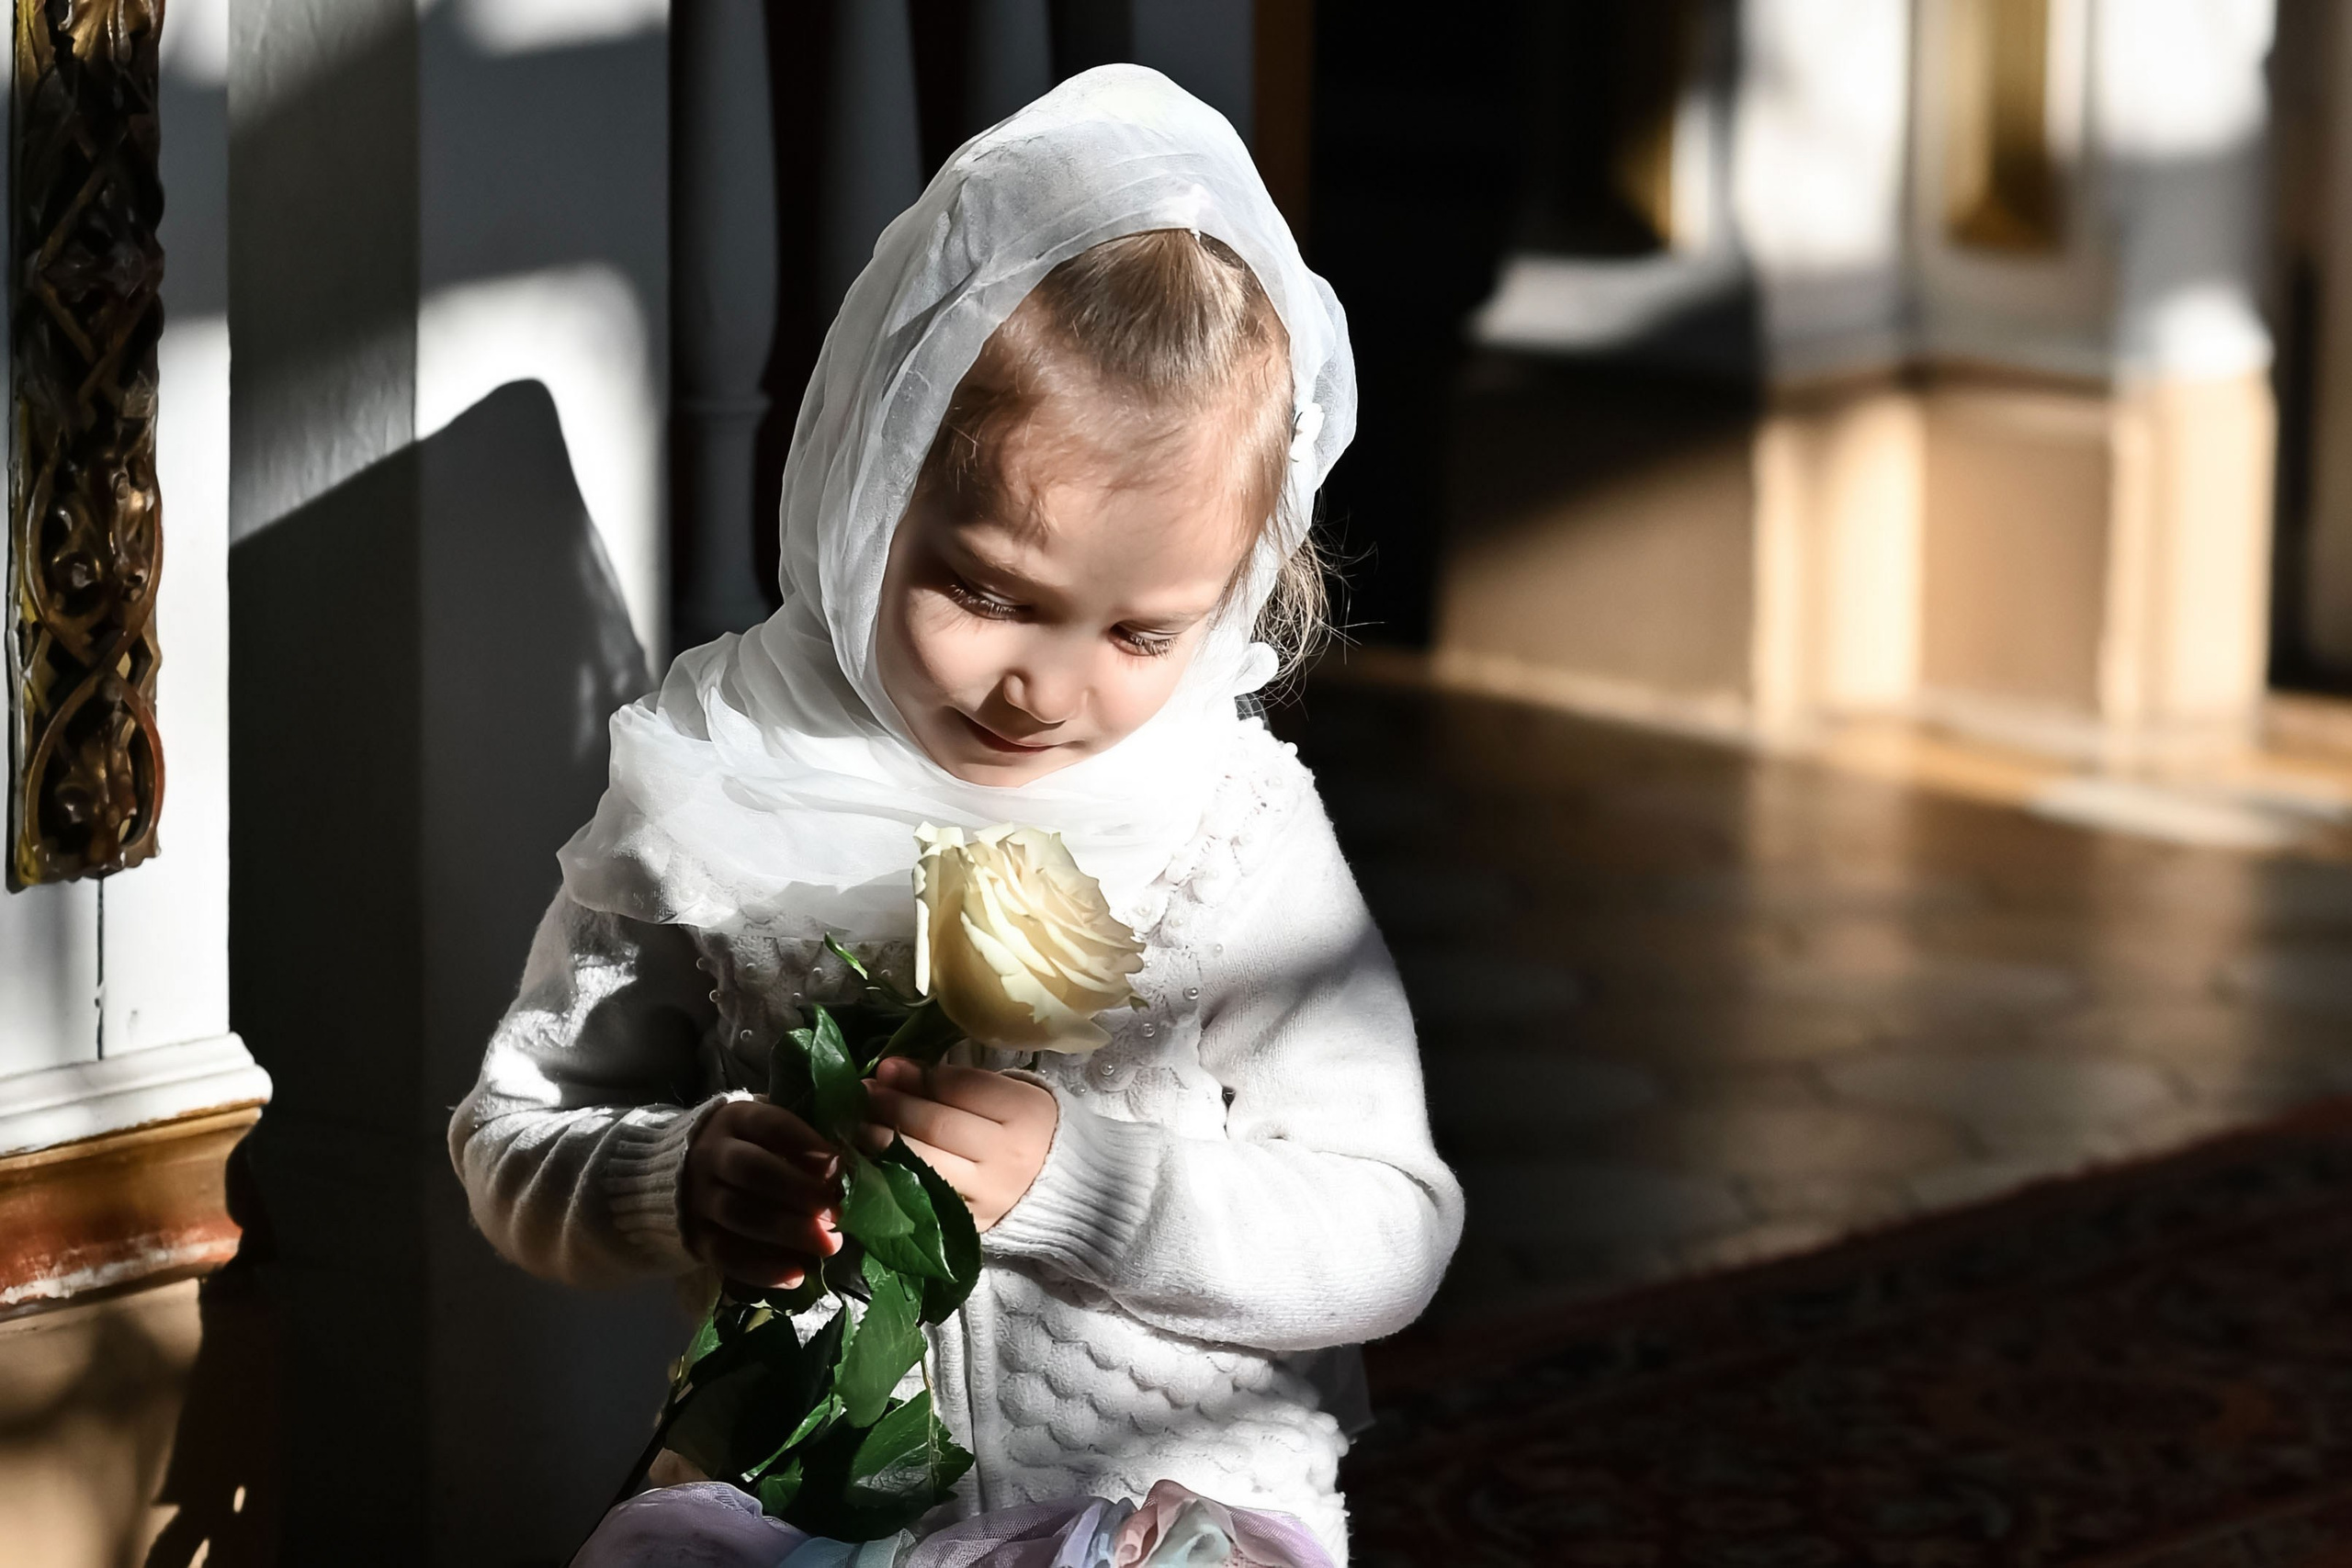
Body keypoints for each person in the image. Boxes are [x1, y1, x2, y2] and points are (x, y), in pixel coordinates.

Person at [449, 65, 1462, 1568]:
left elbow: (1391, 1225)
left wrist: (1087, 1184)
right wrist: (677, 1174)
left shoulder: (1229, 827)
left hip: (1159, 1504)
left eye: (1141, 635)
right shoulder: (721, 780)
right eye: (987, 592)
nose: (1043, 690)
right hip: (809, 1497)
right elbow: (511, 1138)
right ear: (870, 483)